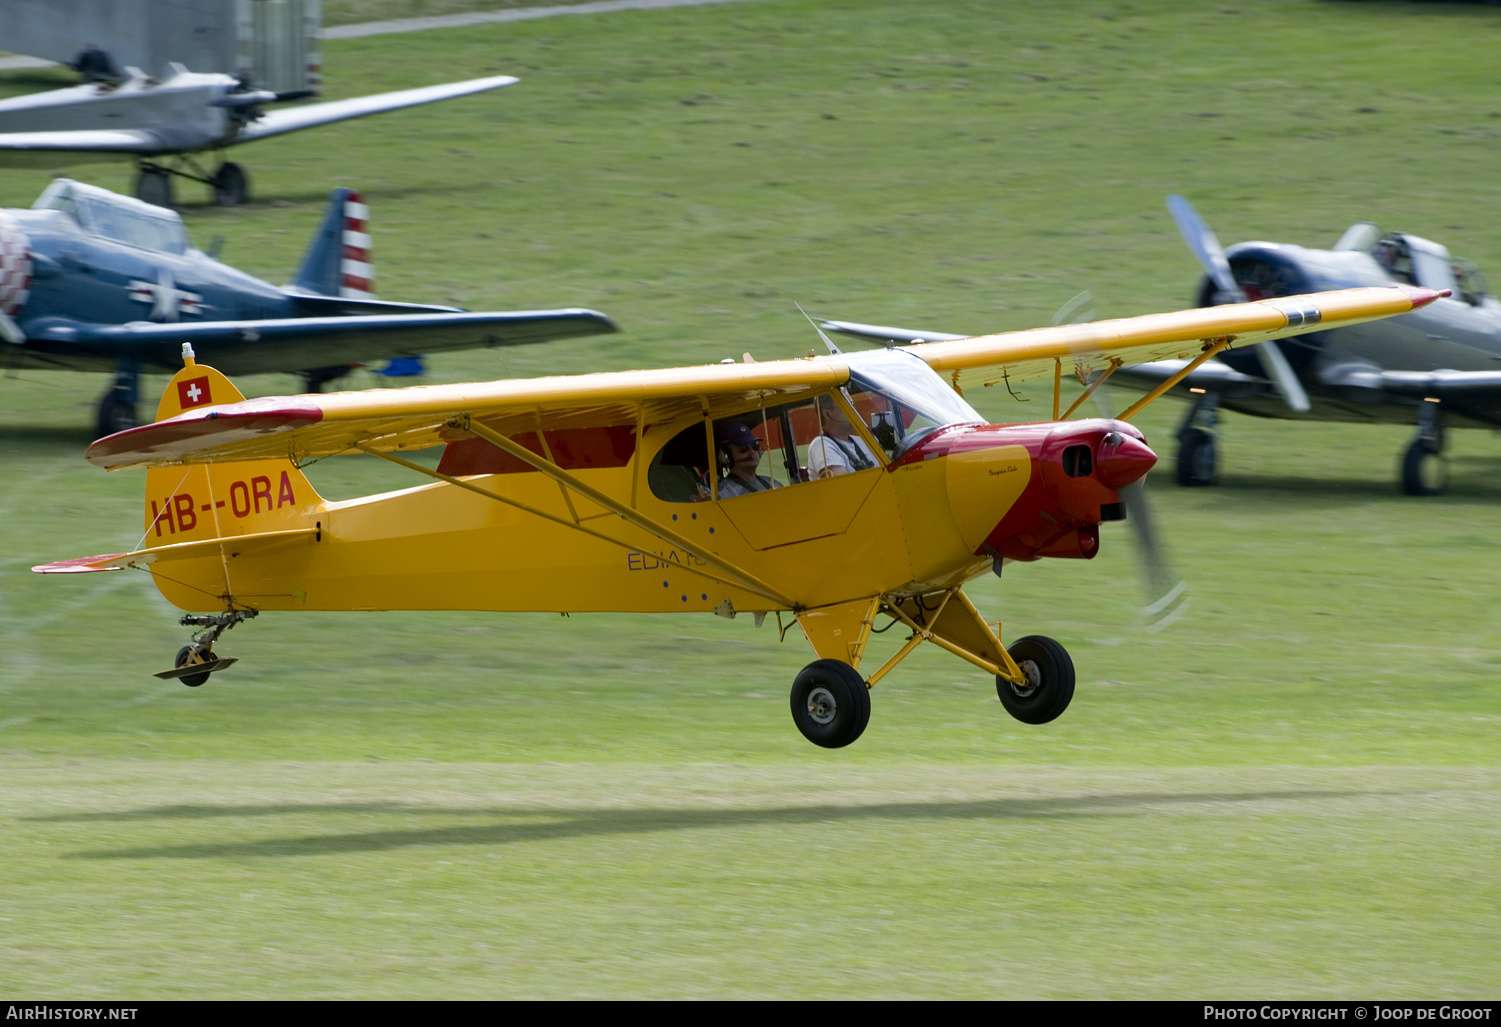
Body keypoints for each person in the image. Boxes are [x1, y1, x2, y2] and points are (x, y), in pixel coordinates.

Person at [807, 395, 880, 479]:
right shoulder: (821, 445)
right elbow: (843, 486)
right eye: (846, 405)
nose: (852, 410)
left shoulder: (862, 441)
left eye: (852, 404)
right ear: (826, 413)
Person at [716, 422, 778, 498]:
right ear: (726, 456)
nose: (752, 452)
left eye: (754, 446)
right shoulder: (725, 492)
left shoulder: (772, 483)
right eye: (743, 448)